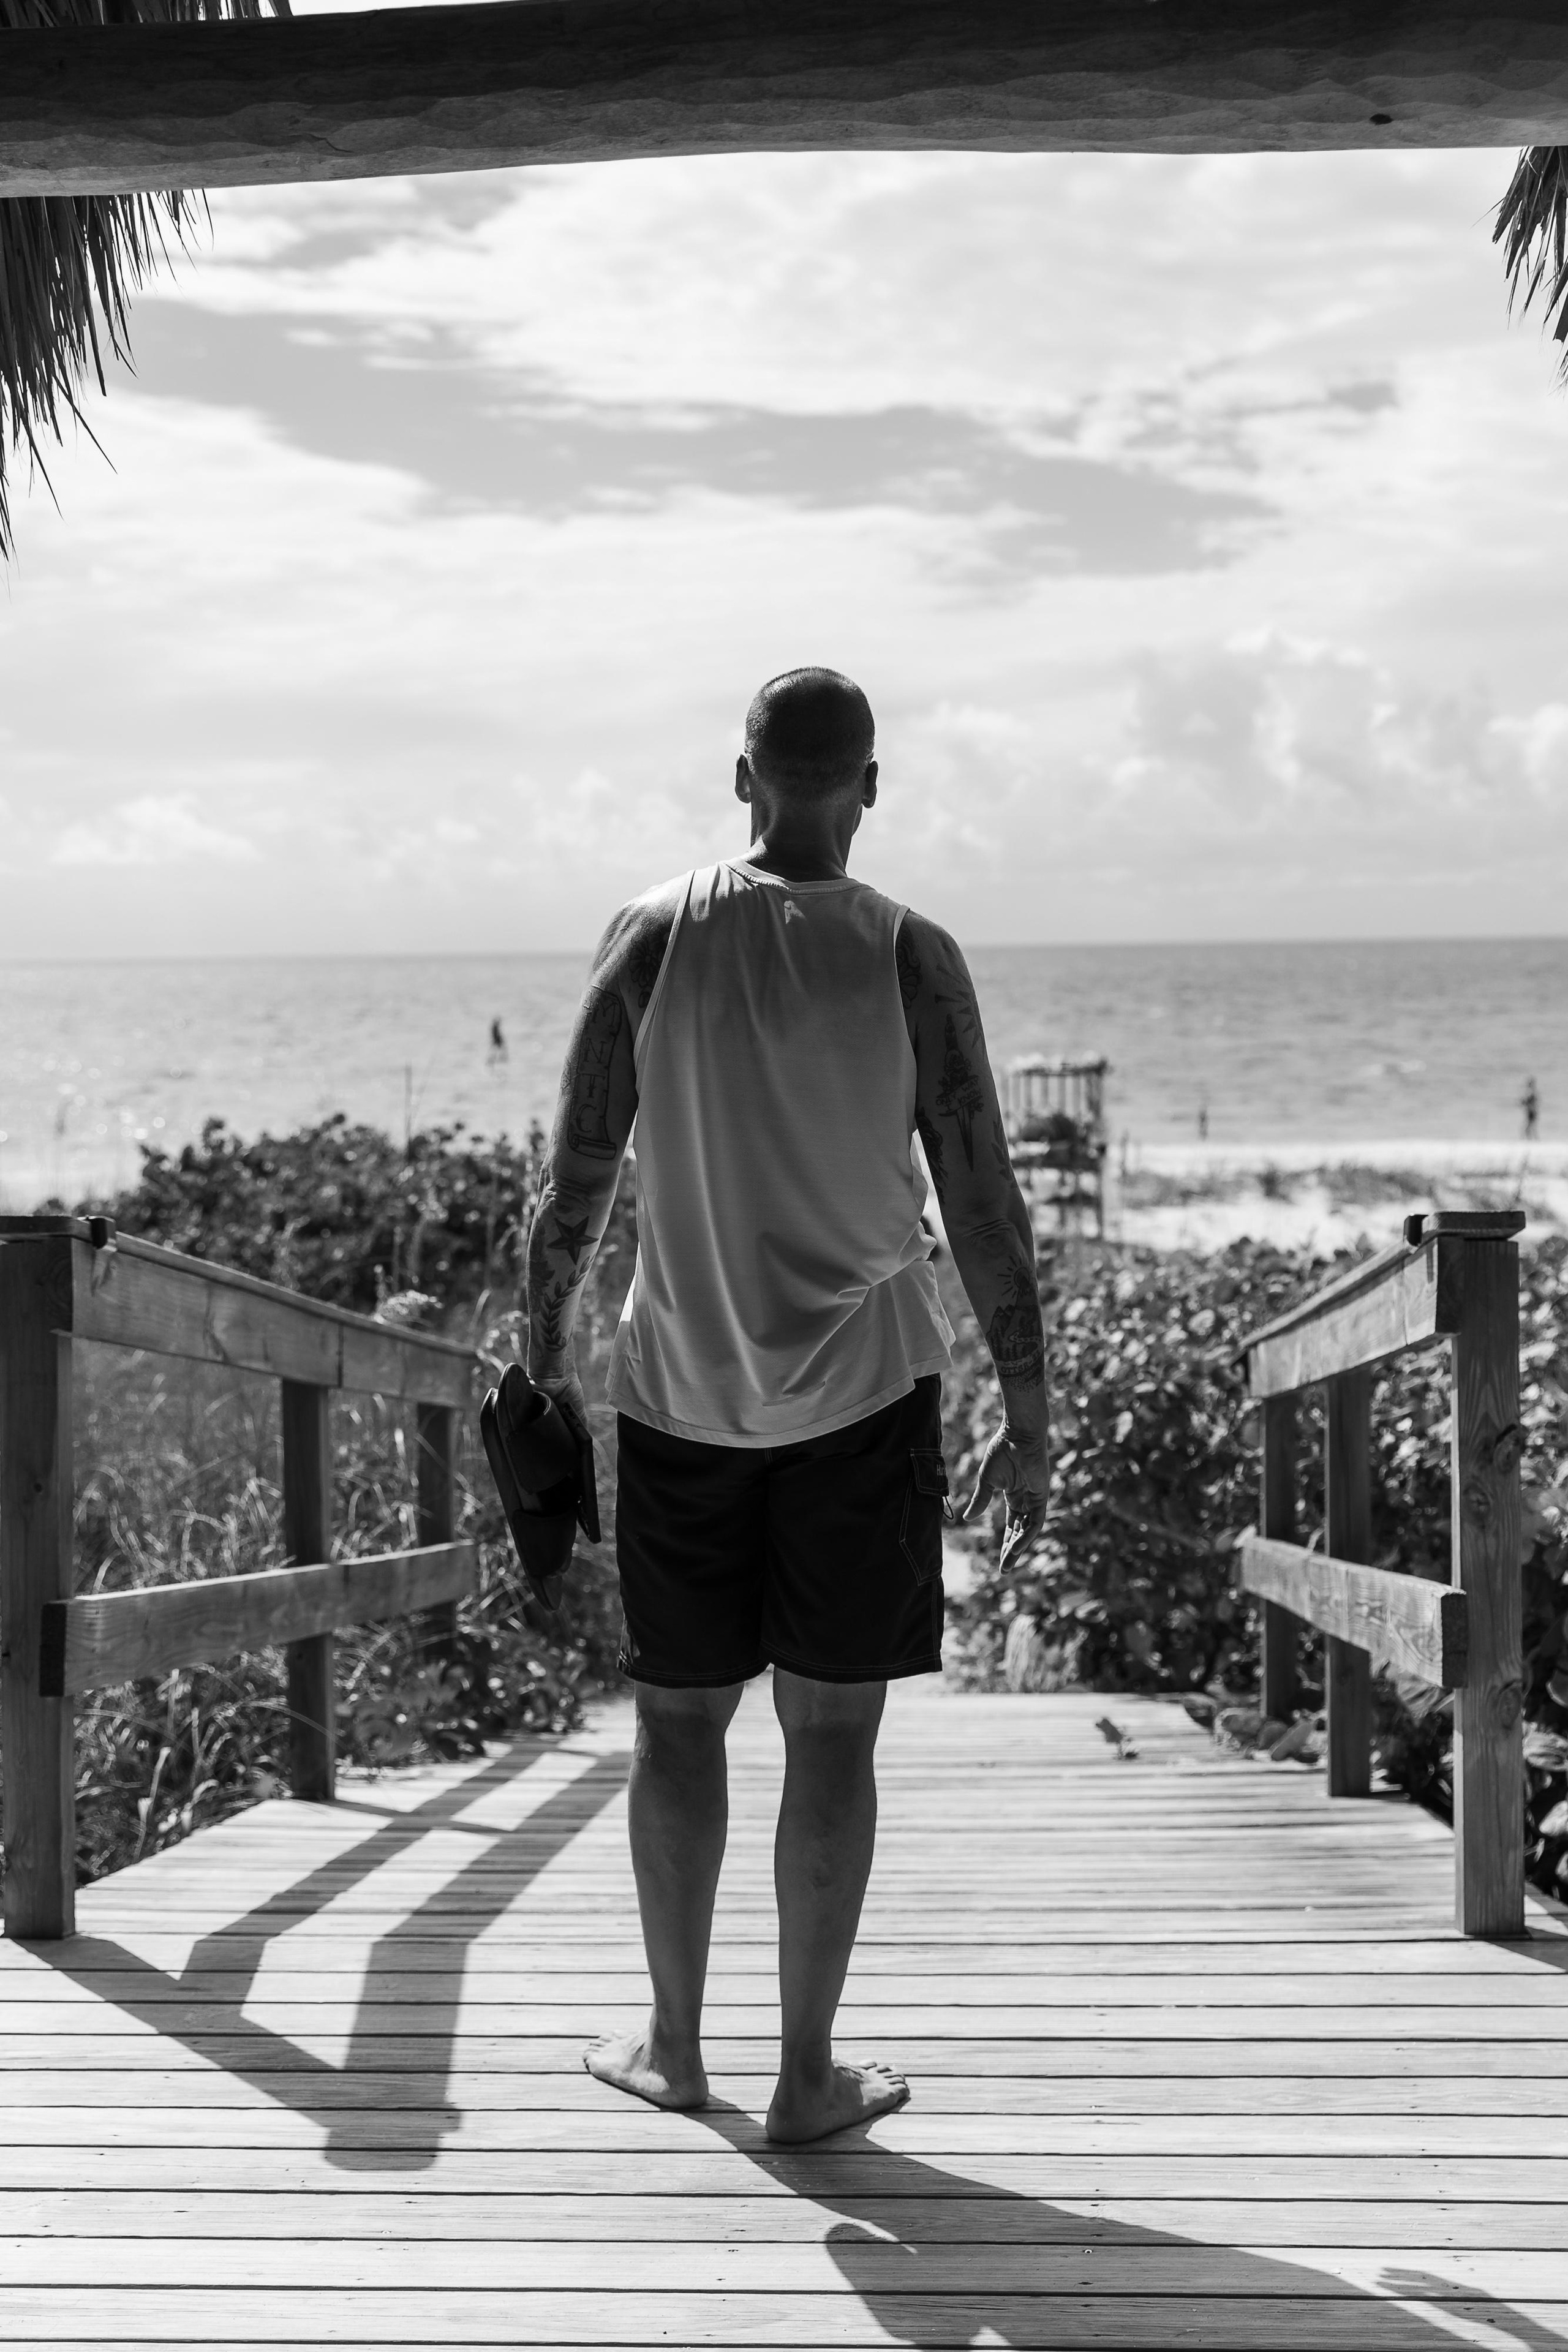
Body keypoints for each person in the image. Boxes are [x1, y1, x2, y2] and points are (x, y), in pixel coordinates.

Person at [525, 666, 1050, 2144]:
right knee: (831, 1743)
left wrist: (540, 1351)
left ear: (740, 776)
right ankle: (805, 2075)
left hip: (681, 1393)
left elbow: (571, 1179)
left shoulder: (649, 936)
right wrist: (1031, 1404)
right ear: (868, 787)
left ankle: (676, 2048)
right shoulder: (911, 956)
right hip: (865, 1400)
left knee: (676, 1730)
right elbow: (987, 1207)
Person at [1523, 1076, 1539, 1142]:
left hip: (1531, 1112)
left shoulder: (1531, 1093)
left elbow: (1529, 1102)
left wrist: (1525, 1103)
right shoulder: (1533, 1092)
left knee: (1529, 1128)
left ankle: (1531, 1140)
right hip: (1532, 1111)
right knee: (1531, 1127)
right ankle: (1533, 1140)